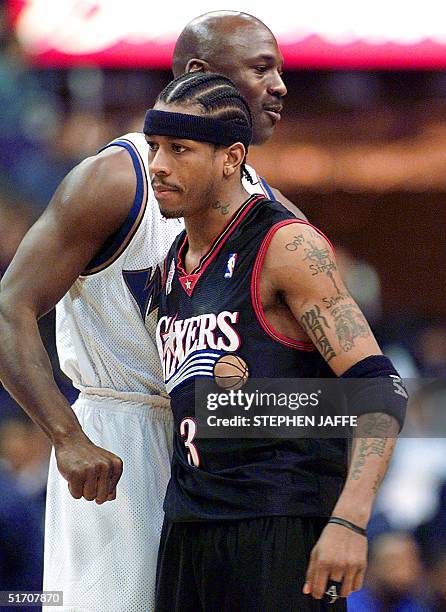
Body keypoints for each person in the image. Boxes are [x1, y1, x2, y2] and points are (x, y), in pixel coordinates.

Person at [0, 11, 305, 612]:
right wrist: (66, 436)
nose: (280, 86)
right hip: (120, 440)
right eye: (262, 68)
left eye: (280, 70)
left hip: (225, 453)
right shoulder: (118, 178)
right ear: (199, 73)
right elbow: (9, 307)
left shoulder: (276, 214)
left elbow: (343, 378)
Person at [148, 71, 407, 611]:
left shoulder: (285, 244)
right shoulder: (171, 266)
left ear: (231, 158)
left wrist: (350, 519)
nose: (158, 165)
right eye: (153, 147)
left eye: (179, 149)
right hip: (189, 527)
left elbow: (379, 389)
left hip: (280, 524)